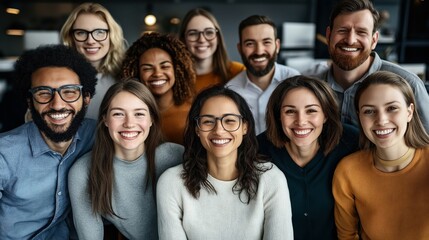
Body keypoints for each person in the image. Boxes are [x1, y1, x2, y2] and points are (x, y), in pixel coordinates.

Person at [156, 86, 294, 240]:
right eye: (208, 121)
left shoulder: (271, 179)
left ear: (245, 127)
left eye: (229, 121)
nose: (219, 130)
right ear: (197, 129)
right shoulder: (171, 182)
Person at [0, 44, 97, 239]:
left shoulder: (97, 135)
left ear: (86, 98)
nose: (57, 104)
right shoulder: (5, 153)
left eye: (69, 91)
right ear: (30, 102)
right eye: (44, 93)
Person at [68, 80, 184, 239]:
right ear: (105, 120)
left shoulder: (175, 156)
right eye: (118, 114)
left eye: (139, 114)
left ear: (151, 119)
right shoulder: (83, 172)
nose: (129, 123)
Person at [257, 75, 359, 240]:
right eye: (290, 111)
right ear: (278, 116)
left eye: (311, 110)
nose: (301, 121)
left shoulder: (351, 143)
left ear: (325, 114)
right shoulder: (258, 151)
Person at [333, 71, 429, 239]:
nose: (382, 120)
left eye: (392, 108)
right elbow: (347, 235)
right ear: (359, 117)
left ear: (409, 112)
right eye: (369, 111)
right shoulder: (348, 170)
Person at [310, 0, 429, 132]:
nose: (350, 40)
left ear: (374, 40)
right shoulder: (312, 86)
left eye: (361, 32)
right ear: (328, 35)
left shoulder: (409, 84)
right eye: (343, 30)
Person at [226, 15, 300, 135]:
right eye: (250, 43)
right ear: (240, 49)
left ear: (277, 46)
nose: (259, 51)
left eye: (266, 42)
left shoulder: (295, 81)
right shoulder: (231, 90)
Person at [121, 32, 195, 145]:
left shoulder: (193, 112)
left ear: (177, 70)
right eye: (147, 69)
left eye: (165, 66)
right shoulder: (129, 116)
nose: (157, 73)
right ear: (137, 74)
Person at [61, 2, 126, 119]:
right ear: (70, 37)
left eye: (100, 32)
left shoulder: (126, 75)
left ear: (111, 35)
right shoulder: (58, 77)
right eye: (81, 33)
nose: (90, 41)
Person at [179, 8, 245, 92]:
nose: (202, 40)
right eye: (193, 34)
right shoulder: (174, 78)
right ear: (183, 40)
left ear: (218, 38)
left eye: (209, 32)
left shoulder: (238, 72)